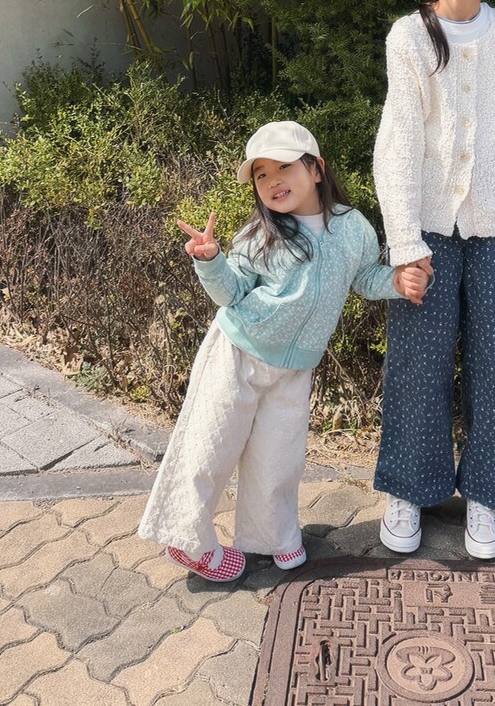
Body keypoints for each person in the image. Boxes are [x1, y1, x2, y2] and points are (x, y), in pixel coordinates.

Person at [138, 119, 429, 582]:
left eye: (283, 167)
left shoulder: (353, 228)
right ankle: (189, 539)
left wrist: (396, 281)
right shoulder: (259, 234)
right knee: (210, 447)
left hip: (294, 369)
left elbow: (364, 278)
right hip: (237, 352)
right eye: (261, 174)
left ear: (316, 169)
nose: (272, 180)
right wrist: (210, 260)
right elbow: (231, 293)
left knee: (278, 460)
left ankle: (273, 537)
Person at [372, 0, 495, 560]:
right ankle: (408, 488)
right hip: (428, 230)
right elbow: (398, 143)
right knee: (418, 362)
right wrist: (404, 241)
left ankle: (489, 493)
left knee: (494, 364)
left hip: (492, 226)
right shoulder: (408, 37)